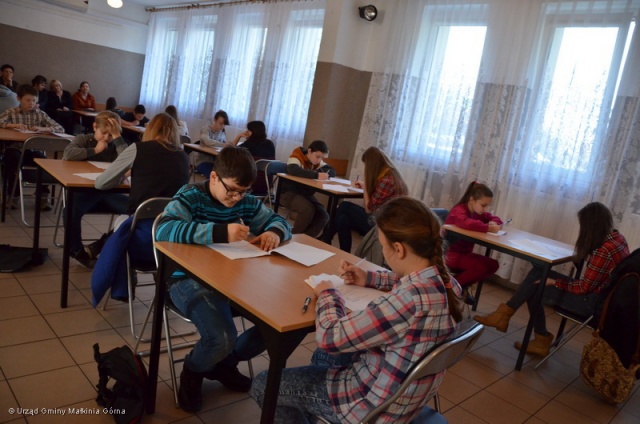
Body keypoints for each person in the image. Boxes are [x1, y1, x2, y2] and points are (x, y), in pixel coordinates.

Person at [250, 197, 463, 423]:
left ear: (398, 249)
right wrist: (369, 277)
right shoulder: (450, 285)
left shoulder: (406, 302)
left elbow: (329, 337)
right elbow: (406, 281)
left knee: (264, 384)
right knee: (323, 358)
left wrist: (328, 294)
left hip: (368, 405)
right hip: (405, 396)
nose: (383, 250)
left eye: (383, 246)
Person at [155, 146, 292, 413]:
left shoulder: (244, 201)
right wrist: (220, 232)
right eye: (232, 190)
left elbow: (279, 221)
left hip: (230, 278)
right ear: (214, 177)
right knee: (221, 337)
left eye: (244, 192)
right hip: (185, 279)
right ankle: (194, 369)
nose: (237, 198)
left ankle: (223, 364)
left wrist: (274, 232)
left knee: (279, 326)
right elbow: (164, 228)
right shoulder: (191, 196)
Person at [474, 202, 630, 356]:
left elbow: (583, 288)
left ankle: (512, 320)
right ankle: (521, 327)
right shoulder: (618, 239)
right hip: (604, 300)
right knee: (538, 278)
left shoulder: (603, 250)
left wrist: (555, 282)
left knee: (537, 284)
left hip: (592, 304)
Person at [91, 113, 190, 305]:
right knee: (124, 225)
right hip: (172, 237)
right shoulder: (184, 158)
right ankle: (159, 281)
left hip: (142, 238)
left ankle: (125, 281)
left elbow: (100, 184)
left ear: (150, 129)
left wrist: (121, 177)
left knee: (121, 226)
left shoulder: (138, 149)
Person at [62, 111, 129, 268]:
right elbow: (68, 154)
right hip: (85, 193)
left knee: (137, 211)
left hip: (109, 193)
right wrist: (95, 150)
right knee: (70, 211)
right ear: (94, 127)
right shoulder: (84, 140)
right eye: (103, 133)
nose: (106, 138)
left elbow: (128, 159)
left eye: (111, 135)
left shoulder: (117, 144)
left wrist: (117, 138)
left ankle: (100, 245)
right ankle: (77, 251)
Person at [327, 146, 408, 252]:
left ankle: (326, 238)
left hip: (383, 225)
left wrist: (365, 187)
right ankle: (343, 252)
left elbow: (369, 209)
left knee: (344, 206)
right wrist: (366, 186)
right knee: (343, 219)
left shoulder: (386, 181)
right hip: (384, 219)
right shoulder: (390, 174)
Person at [0, 84, 65, 210]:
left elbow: (60, 128)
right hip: (15, 148)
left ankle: (42, 196)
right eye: (28, 100)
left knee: (44, 163)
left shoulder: (40, 114)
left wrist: (43, 128)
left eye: (34, 100)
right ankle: (13, 196)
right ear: (19, 99)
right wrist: (13, 125)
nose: (31, 103)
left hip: (33, 150)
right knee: (12, 161)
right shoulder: (11, 112)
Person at [444, 181, 502, 303]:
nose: (485, 209)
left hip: (464, 254)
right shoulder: (459, 210)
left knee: (493, 265)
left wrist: (494, 222)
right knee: (481, 267)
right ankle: (452, 288)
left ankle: (458, 286)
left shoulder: (476, 212)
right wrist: (487, 228)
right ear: (472, 200)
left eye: (487, 206)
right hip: (449, 254)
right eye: (483, 205)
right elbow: (465, 222)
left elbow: (494, 218)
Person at [280, 140, 336, 237]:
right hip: (289, 193)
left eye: (322, 158)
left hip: (305, 194)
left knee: (324, 215)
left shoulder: (317, 162)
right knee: (307, 209)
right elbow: (293, 170)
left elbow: (332, 170)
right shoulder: (297, 155)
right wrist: (317, 175)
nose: (319, 160)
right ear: (309, 151)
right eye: (317, 156)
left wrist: (323, 173)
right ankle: (294, 238)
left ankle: (304, 239)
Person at [196, 109, 229, 175]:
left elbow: (223, 145)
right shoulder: (206, 129)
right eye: (221, 123)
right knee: (214, 176)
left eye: (224, 124)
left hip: (216, 162)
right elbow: (207, 141)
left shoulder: (222, 132)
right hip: (203, 161)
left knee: (227, 174)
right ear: (214, 120)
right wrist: (223, 145)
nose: (222, 126)